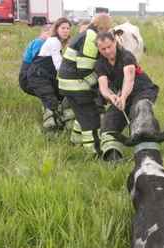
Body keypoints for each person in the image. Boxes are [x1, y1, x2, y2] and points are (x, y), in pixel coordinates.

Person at [95, 31, 159, 161]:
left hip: (142, 90)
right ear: (99, 49)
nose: (107, 51)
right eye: (103, 49)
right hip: (122, 94)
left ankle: (147, 153)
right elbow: (103, 87)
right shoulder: (100, 64)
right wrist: (111, 97)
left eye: (109, 47)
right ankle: (113, 157)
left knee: (140, 110)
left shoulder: (126, 56)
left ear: (115, 43)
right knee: (109, 120)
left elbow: (129, 79)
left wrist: (123, 97)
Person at [57, 14, 112, 155]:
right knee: (91, 118)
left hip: (67, 82)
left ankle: (75, 143)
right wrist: (98, 87)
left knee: (81, 114)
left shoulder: (86, 33)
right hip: (76, 83)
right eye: (108, 28)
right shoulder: (91, 36)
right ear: (103, 27)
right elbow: (85, 68)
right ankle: (94, 153)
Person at [24, 18, 73, 131]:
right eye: (63, 28)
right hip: (38, 76)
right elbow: (58, 65)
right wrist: (71, 79)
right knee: (51, 101)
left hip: (46, 76)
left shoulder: (58, 42)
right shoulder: (54, 41)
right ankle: (50, 130)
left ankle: (60, 125)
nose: (66, 30)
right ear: (56, 29)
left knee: (60, 96)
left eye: (68, 28)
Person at [19, 24, 51, 96]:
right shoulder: (39, 42)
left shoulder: (43, 42)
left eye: (51, 34)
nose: (49, 36)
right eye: (48, 33)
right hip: (27, 71)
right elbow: (37, 59)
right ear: (42, 32)